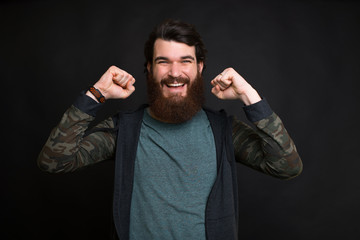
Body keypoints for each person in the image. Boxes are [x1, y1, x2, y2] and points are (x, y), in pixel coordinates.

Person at [38, 19, 302, 240]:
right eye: (163, 62)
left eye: (185, 61)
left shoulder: (223, 131)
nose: (174, 73)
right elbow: (55, 161)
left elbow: (287, 166)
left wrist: (249, 95)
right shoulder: (125, 130)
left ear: (199, 68)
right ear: (150, 70)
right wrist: (95, 95)